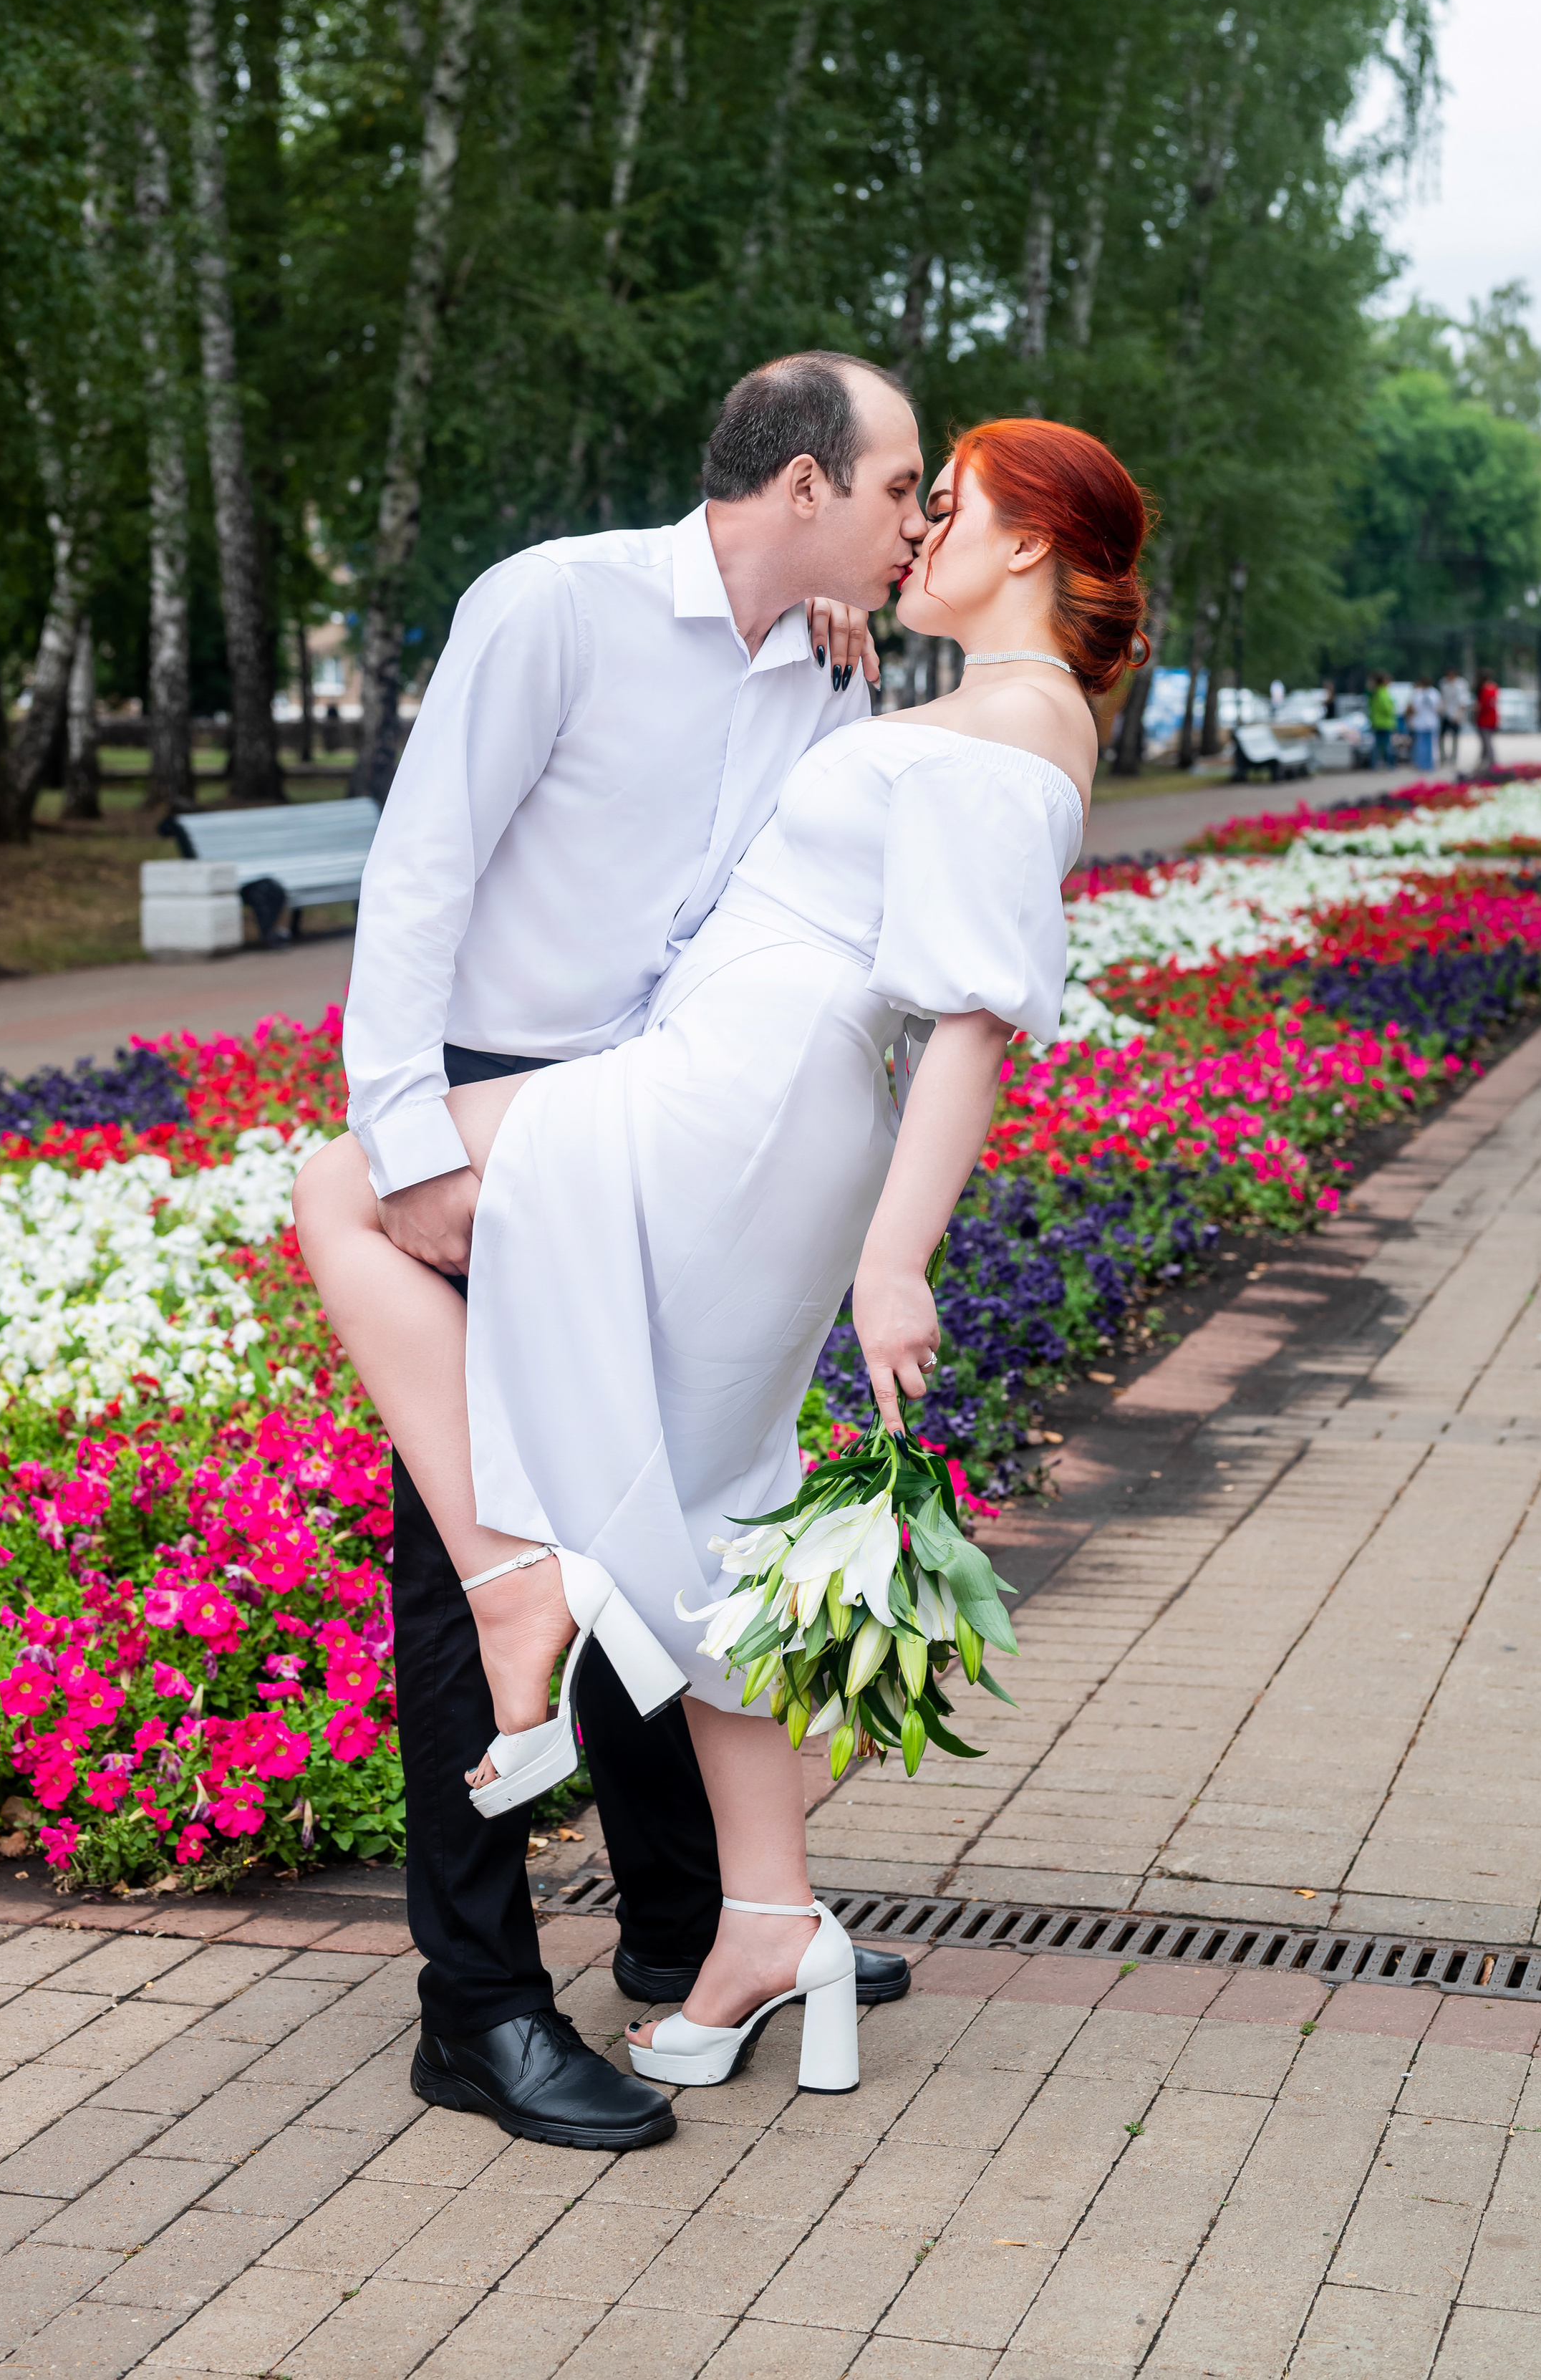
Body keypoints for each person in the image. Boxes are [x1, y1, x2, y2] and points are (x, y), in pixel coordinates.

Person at [297, 413, 1141, 2125]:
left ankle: (564, 1668)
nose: (914, 531)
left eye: (944, 504)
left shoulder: (950, 701)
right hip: (634, 1088)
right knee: (689, 1504)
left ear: (1030, 549)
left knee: (380, 1248)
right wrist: (414, 1126)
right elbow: (425, 869)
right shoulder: (576, 609)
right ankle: (683, 1934)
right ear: (809, 483)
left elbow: (969, 1001)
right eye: (905, 491)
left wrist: (895, 1256)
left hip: (717, 1104)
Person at [1438, 669, 1469, 766]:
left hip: (1456, 713)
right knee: (1441, 737)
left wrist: (1460, 715)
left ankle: (1454, 757)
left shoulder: (1461, 684)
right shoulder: (1443, 683)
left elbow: (1464, 701)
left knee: (1455, 737)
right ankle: (1443, 757)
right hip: (1446, 713)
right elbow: (1442, 698)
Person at [1408, 678, 1440, 773]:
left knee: (1421, 745)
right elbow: (1439, 707)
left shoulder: (1417, 693)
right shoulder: (1434, 693)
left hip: (1420, 722)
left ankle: (1421, 764)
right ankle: (1430, 765)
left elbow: (1412, 708)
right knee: (1431, 745)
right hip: (1431, 722)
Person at [1368, 670, 1397, 768]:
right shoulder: (1383, 693)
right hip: (1385, 723)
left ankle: (1374, 765)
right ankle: (1390, 765)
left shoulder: (1374, 693)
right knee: (1387, 746)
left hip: (1377, 722)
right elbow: (1387, 709)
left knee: (1377, 746)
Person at [1476, 671, 1500, 771]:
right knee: (1488, 741)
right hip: (1493, 718)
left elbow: (1483, 706)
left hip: (1484, 719)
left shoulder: (1484, 690)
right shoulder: (1494, 688)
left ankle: (1491, 762)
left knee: (1487, 742)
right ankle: (1485, 761)